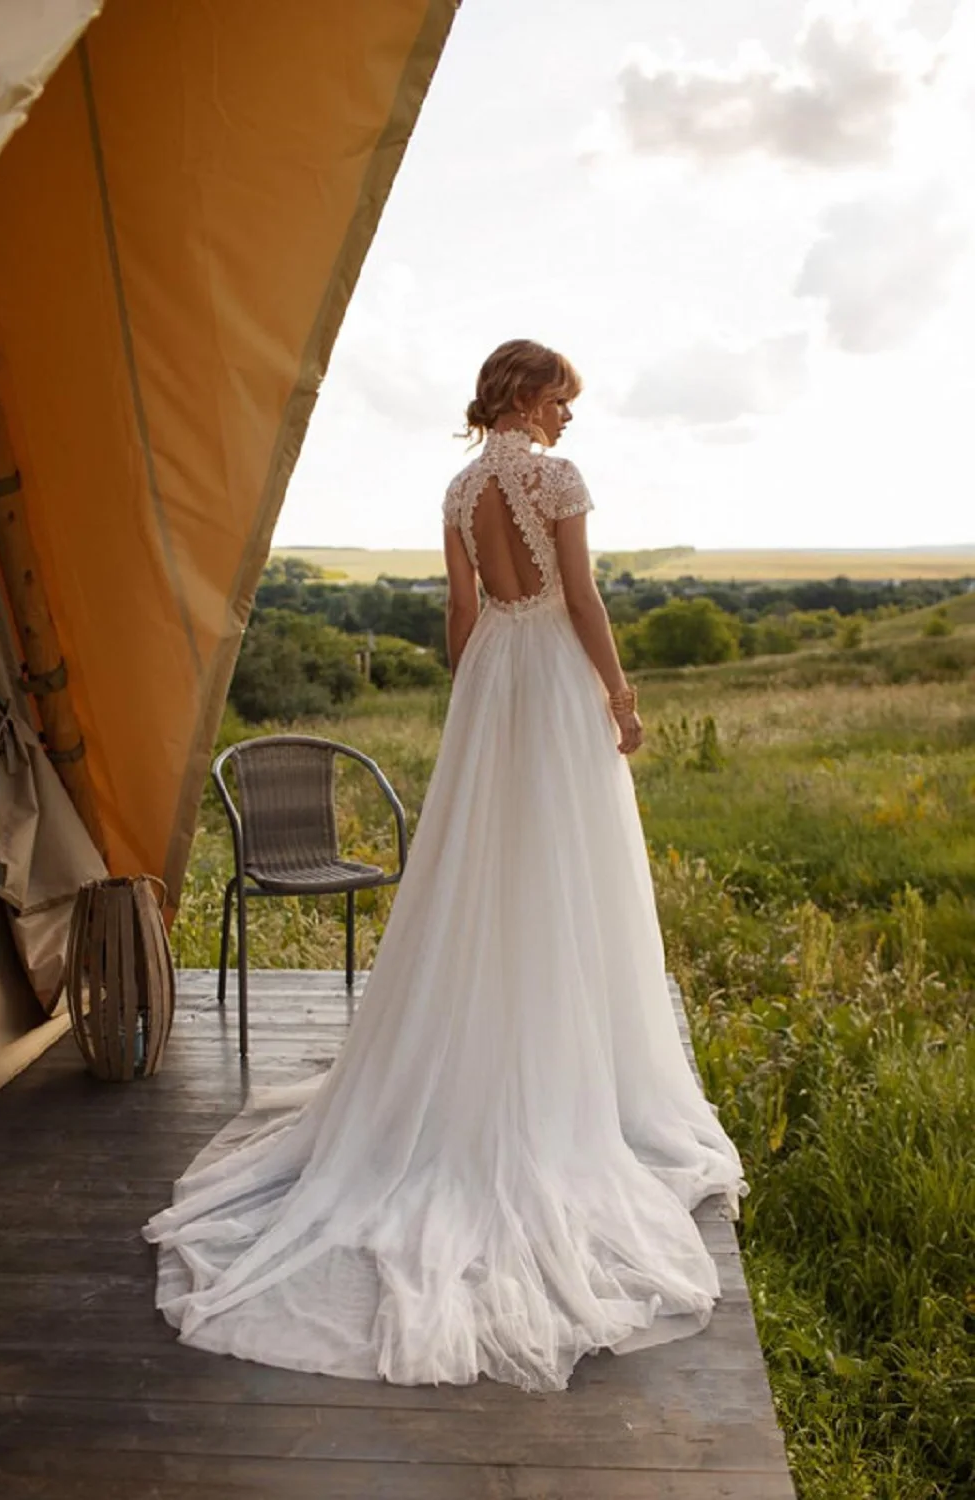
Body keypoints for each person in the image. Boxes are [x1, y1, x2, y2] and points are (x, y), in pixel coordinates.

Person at [142, 337, 748, 1394]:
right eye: (561, 395)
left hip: (493, 687)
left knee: (487, 870)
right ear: (523, 389)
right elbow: (585, 598)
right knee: (567, 865)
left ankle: (506, 1038)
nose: (568, 416)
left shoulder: (462, 485)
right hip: (554, 677)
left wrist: (476, 704)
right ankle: (568, 1071)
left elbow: (461, 614)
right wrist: (619, 698)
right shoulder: (554, 480)